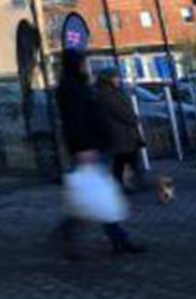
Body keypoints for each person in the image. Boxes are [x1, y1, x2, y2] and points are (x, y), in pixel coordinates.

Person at [54, 50, 145, 257]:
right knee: (95, 194)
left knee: (95, 194)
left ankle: (116, 239)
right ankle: (113, 238)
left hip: (90, 146)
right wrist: (83, 148)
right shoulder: (72, 88)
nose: (85, 66)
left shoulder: (76, 85)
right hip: (86, 148)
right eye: (82, 62)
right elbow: (76, 121)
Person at [95, 69, 144, 192]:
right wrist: (133, 119)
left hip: (124, 133)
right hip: (120, 133)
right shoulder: (106, 94)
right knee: (123, 159)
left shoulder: (113, 92)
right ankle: (122, 184)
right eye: (115, 77)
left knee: (126, 159)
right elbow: (119, 111)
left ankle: (129, 182)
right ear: (108, 79)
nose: (117, 79)